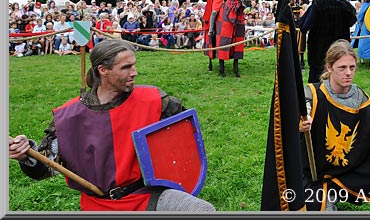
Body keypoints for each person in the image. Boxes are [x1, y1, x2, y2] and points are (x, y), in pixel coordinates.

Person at [9, 39, 216, 212]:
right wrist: (26, 154)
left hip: (146, 196)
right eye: (126, 67)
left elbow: (186, 136)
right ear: (103, 70)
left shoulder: (154, 100)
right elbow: (45, 168)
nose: (134, 72)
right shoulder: (68, 118)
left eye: (134, 65)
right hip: (98, 205)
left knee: (202, 212)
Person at [299, 39, 370, 211]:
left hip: (350, 168)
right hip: (314, 171)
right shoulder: (312, 94)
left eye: (352, 68)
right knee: (319, 208)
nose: (348, 73)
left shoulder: (365, 104)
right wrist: (301, 121)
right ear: (329, 68)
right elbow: (299, 113)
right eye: (342, 68)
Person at [298, 0, 357, 83]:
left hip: (318, 51)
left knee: (316, 83)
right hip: (340, 51)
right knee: (339, 80)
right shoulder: (347, 7)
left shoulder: (318, 3)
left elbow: (304, 25)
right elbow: (352, 22)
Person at [276, 0, 310, 68]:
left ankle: (301, 60)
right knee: (289, 36)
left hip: (300, 11)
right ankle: (289, 59)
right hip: (289, 11)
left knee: (301, 36)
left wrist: (303, 4)